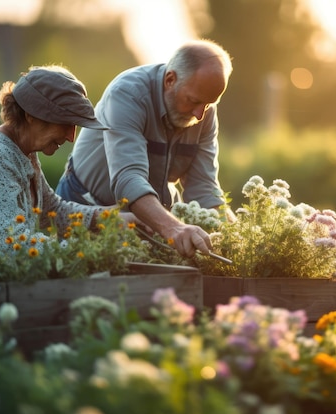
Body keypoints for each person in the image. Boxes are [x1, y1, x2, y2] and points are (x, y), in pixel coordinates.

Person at [0, 65, 139, 271]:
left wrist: (113, 218)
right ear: (31, 114)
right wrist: (84, 249)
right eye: (66, 122)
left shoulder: (25, 151)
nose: (71, 137)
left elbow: (52, 210)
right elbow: (9, 247)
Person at [55, 39, 234, 259]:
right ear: (170, 80)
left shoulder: (203, 111)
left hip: (149, 216)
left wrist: (238, 238)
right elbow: (128, 179)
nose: (200, 114)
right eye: (193, 101)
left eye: (209, 104)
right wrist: (174, 228)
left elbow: (203, 188)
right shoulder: (128, 94)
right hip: (86, 204)